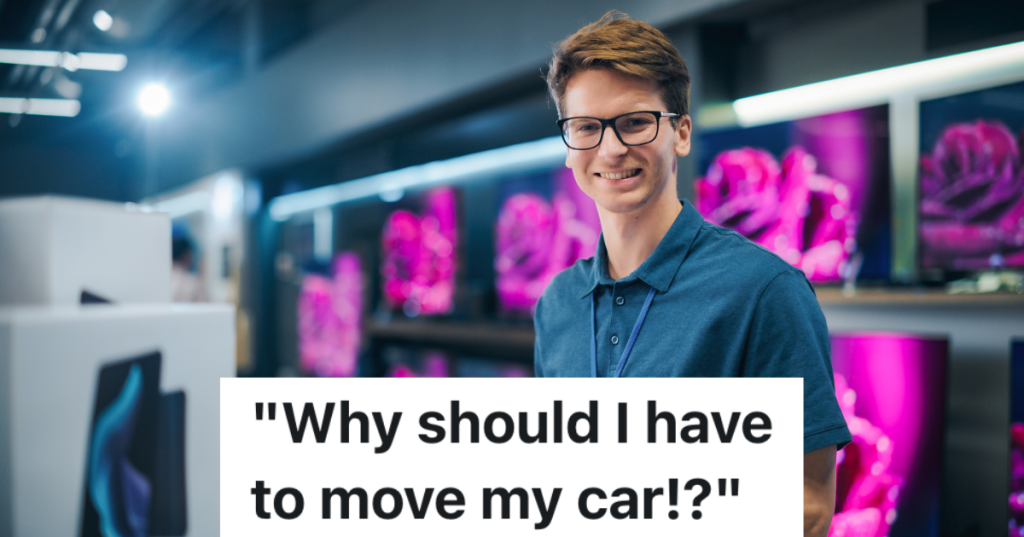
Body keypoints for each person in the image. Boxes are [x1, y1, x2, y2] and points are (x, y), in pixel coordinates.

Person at [532, 12, 851, 537]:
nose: (610, 149)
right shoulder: (557, 303)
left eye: (635, 122)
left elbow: (808, 505)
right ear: (570, 146)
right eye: (586, 127)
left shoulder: (764, 291)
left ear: (680, 133)